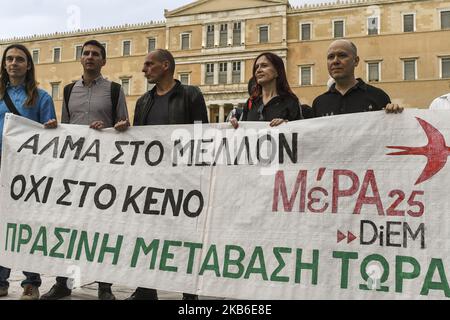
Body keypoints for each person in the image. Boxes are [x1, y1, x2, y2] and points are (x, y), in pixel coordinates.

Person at [40, 40, 129, 301]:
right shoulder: (68, 91)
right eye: (86, 53)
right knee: (67, 226)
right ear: (81, 59)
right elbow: (66, 130)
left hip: (104, 170)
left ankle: (105, 286)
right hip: (75, 170)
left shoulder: (114, 90)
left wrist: (116, 127)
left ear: (104, 61)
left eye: (96, 54)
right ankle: (62, 282)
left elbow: (124, 125)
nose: (90, 57)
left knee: (103, 226)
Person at [131, 49, 208, 300]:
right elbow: (138, 139)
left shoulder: (191, 94)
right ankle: (145, 289)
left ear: (165, 66)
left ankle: (189, 293)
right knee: (147, 233)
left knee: (185, 235)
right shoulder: (143, 101)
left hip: (183, 178)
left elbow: (202, 135)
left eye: (149, 64)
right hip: (151, 178)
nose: (144, 70)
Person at [0, 44, 57, 300]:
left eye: (19, 59)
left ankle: (31, 282)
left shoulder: (42, 97)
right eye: (9, 59)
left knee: (27, 227)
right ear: (4, 64)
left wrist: (52, 127)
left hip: (27, 171)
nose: (14, 63)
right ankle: (1, 281)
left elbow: (50, 134)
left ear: (28, 65)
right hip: (1, 166)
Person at [312, 39, 402, 117]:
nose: (335, 61)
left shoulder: (378, 96)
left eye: (342, 55)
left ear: (356, 61)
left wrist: (394, 114)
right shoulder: (319, 103)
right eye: (331, 57)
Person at [230, 52, 303, 129]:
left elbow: (301, 132)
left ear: (277, 71)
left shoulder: (291, 101)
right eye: (256, 67)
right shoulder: (251, 102)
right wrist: (235, 125)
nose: (258, 70)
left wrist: (286, 125)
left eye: (264, 66)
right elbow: (242, 130)